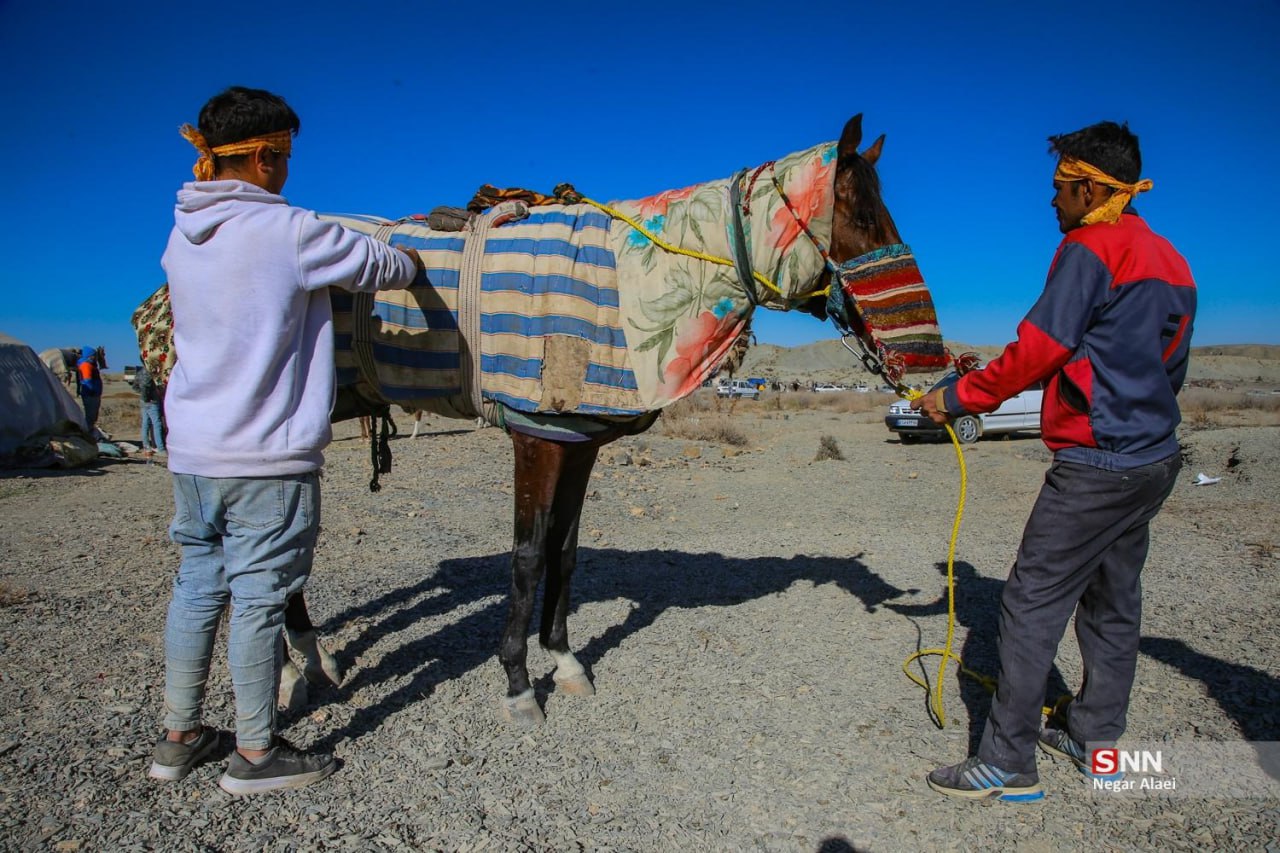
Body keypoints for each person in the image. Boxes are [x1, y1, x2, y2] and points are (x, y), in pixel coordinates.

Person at [148, 86, 423, 795]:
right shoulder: (291, 230)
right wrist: (416, 258)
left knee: (198, 588)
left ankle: (179, 737)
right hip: (267, 457)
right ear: (267, 157)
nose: (290, 170)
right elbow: (387, 268)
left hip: (195, 452)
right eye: (288, 156)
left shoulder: (181, 233)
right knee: (263, 595)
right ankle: (255, 752)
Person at [915, 121, 1196, 801]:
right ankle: (1094, 733)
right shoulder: (1172, 260)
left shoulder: (1088, 249)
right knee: (1113, 596)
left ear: (1092, 189)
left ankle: (1007, 758)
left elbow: (1039, 348)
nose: (1052, 202)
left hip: (1096, 462)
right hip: (1154, 458)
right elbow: (1172, 364)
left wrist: (956, 396)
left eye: (1059, 189)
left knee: (1030, 601)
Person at [133, 364, 166, 455]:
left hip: (144, 402)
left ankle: (146, 446)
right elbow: (144, 386)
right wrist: (147, 397)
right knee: (157, 423)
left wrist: (143, 398)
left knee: (145, 423)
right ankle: (160, 448)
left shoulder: (140, 372)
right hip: (151, 402)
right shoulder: (150, 373)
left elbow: (135, 386)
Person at [76, 346, 103, 433]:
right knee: (90, 416)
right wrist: (93, 391)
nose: (95, 357)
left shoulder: (90, 365)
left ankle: (89, 432)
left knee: (92, 416)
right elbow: (87, 381)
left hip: (93, 394)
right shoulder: (86, 365)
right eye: (93, 355)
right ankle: (87, 433)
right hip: (90, 395)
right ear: (89, 356)